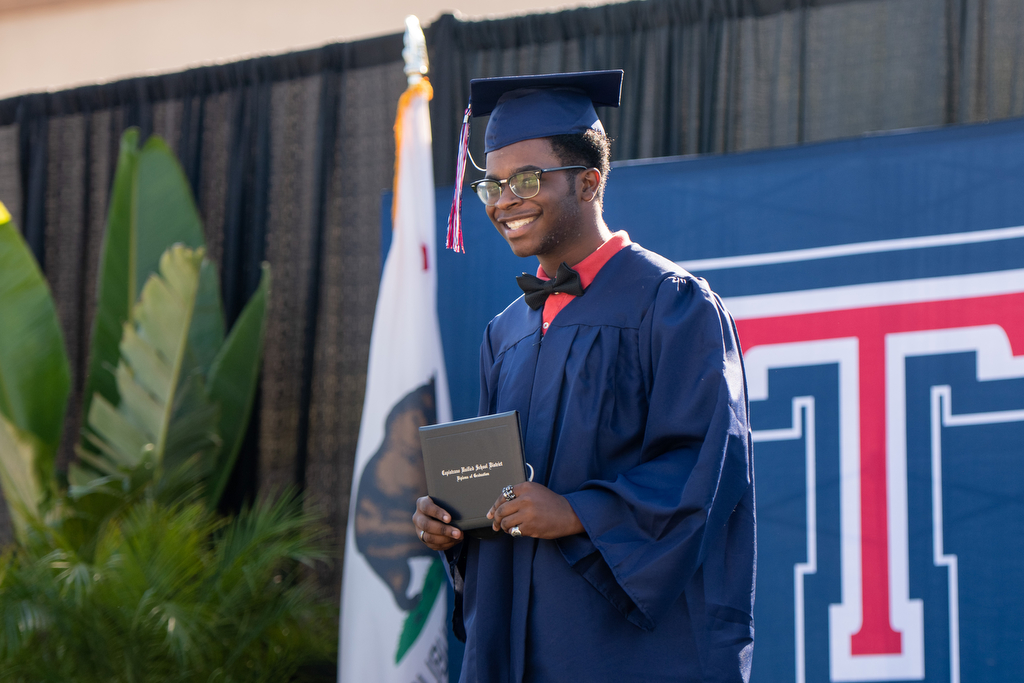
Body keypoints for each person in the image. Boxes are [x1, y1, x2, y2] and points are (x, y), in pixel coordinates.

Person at [412, 70, 755, 683]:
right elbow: (502, 487)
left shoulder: (671, 303)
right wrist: (455, 525)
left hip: (620, 649)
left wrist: (575, 512)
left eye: (525, 181)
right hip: (516, 644)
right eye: (492, 185)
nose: (503, 201)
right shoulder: (506, 332)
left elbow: (707, 465)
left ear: (589, 181)